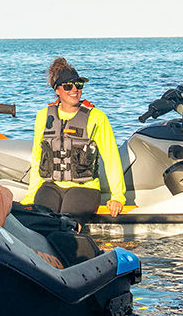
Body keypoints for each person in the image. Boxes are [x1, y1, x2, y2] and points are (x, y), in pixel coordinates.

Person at [22, 58, 127, 216]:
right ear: (57, 90)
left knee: (66, 222)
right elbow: (38, 158)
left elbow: (111, 158)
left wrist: (118, 196)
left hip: (85, 188)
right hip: (51, 186)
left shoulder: (97, 117)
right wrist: (31, 197)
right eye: (68, 86)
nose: (74, 90)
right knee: (41, 220)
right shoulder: (43, 116)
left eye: (78, 85)